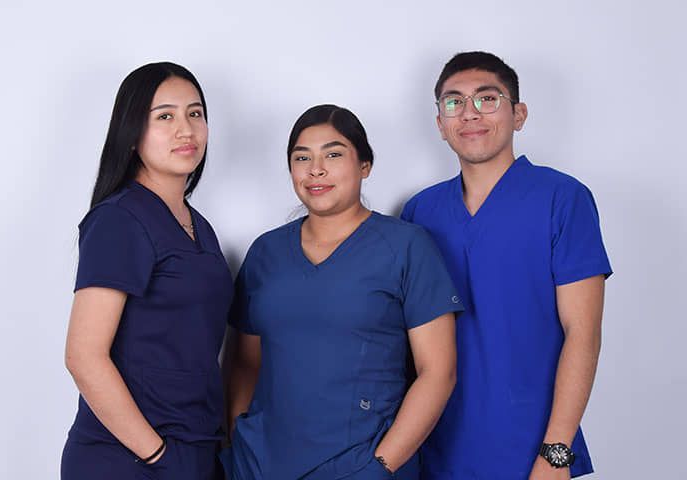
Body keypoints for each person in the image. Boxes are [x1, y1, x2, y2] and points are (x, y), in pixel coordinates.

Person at [221, 104, 463, 479]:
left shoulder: (407, 247)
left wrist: (382, 465)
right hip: (263, 466)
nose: (316, 169)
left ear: (365, 165)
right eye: (302, 158)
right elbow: (243, 364)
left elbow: (438, 373)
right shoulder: (266, 252)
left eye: (333, 155)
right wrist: (239, 442)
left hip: (361, 464)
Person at [400, 51, 612, 479]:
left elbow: (583, 333)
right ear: (440, 123)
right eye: (454, 102)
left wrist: (556, 451)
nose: (470, 113)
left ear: (519, 115)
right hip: (435, 447)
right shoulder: (420, 211)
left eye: (487, 99)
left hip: (531, 448)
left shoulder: (562, 199)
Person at [60, 62, 232, 480]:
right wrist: (156, 455)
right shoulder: (119, 219)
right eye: (165, 117)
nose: (186, 130)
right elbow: (83, 356)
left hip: (195, 449)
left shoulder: (199, 227)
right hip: (129, 458)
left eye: (195, 113)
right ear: (133, 133)